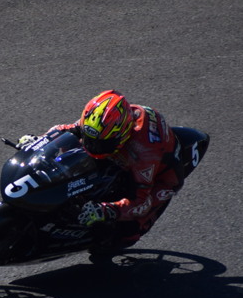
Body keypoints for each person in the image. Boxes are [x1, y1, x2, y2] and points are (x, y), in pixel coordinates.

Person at [18, 89, 183, 259]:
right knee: (72, 154)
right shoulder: (98, 123)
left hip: (162, 173)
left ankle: (122, 236)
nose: (92, 147)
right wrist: (39, 141)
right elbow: (64, 130)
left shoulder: (144, 152)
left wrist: (106, 210)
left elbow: (141, 201)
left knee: (129, 230)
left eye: (101, 144)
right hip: (121, 150)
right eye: (90, 139)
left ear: (122, 135)